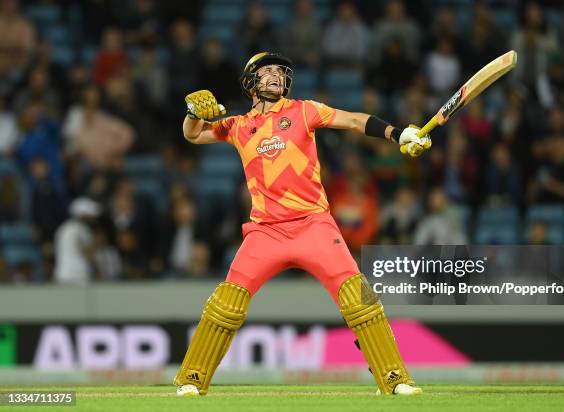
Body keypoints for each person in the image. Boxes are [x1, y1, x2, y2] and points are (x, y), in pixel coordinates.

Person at [174, 52, 431, 397]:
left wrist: (397, 134)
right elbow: (193, 135)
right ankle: (192, 380)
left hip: (314, 225)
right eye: (267, 72)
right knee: (226, 304)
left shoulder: (303, 110)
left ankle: (396, 378)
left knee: (360, 298)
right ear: (251, 82)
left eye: (280, 72)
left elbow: (354, 121)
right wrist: (192, 114)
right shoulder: (236, 126)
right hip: (265, 231)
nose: (276, 77)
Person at [53, 197, 101, 284]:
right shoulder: (82, 229)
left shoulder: (63, 228)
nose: (93, 218)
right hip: (79, 275)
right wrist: (98, 271)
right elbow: (88, 252)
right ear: (82, 215)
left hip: (62, 274)